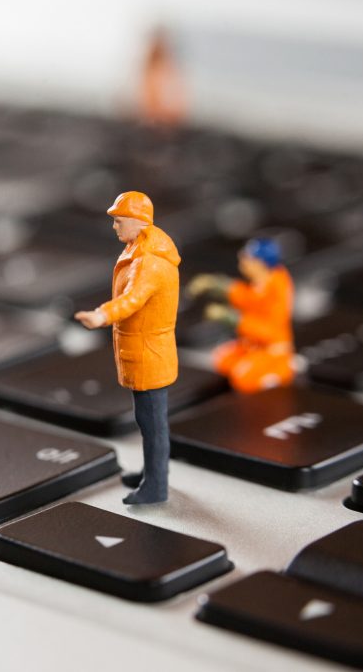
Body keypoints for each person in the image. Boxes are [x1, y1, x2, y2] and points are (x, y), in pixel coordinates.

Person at [75, 191, 180, 505]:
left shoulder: (149, 263)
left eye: (119, 221)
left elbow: (132, 300)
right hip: (145, 351)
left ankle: (156, 486)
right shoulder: (141, 249)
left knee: (152, 426)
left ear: (138, 222)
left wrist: (102, 314)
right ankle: (152, 474)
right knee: (148, 423)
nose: (115, 227)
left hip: (149, 354)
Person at [187, 238, 294, 394]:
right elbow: (247, 297)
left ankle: (275, 380)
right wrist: (217, 284)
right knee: (222, 359)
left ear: (260, 264)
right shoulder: (261, 284)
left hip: (271, 351)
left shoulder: (277, 291)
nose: (243, 261)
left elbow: (268, 331)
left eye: (248, 258)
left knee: (242, 378)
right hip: (250, 344)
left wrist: (232, 318)